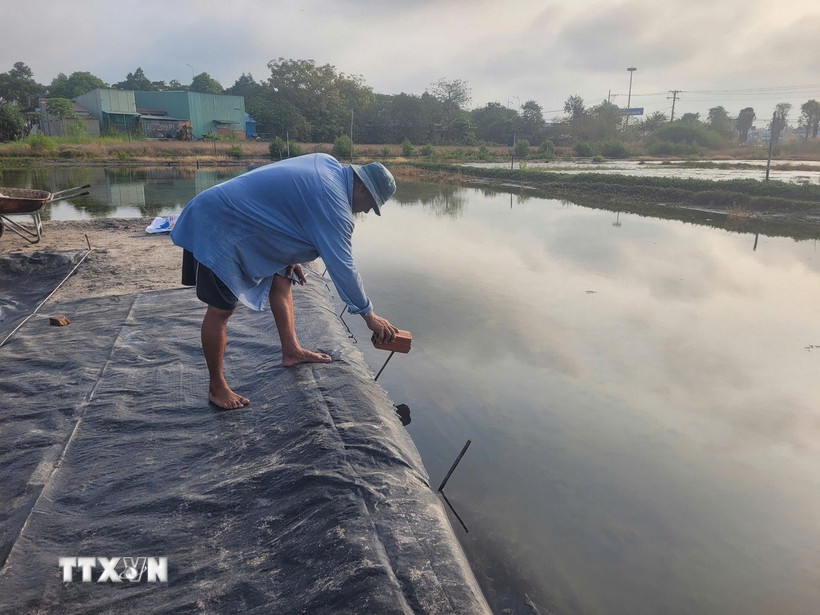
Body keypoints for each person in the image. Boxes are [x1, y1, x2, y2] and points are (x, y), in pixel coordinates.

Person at [170, 153, 399, 410]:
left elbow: (288, 203)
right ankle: (216, 387)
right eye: (370, 203)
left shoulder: (327, 164)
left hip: (240, 216)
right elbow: (343, 267)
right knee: (221, 310)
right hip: (219, 223)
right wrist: (369, 315)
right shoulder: (334, 205)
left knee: (284, 277)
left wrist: (290, 253)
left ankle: (291, 351)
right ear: (360, 186)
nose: (367, 210)